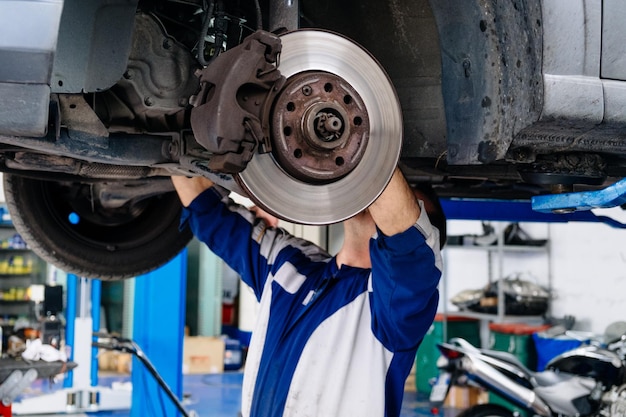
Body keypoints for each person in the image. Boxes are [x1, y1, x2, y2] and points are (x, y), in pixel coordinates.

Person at [171, 167, 444, 417]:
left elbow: (408, 245)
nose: (372, 196)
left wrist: (370, 151)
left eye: (410, 203)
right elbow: (204, 206)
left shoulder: (393, 315)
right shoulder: (289, 267)